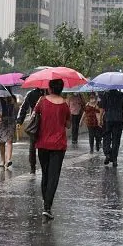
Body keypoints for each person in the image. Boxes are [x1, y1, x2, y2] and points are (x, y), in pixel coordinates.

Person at [34, 79, 71, 220]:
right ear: (61, 89)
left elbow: (35, 114)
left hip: (42, 143)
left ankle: (46, 204)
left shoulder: (42, 101)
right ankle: (47, 206)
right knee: (53, 176)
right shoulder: (64, 104)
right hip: (58, 145)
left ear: (49, 88)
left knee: (45, 174)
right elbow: (68, 125)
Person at [17, 88, 45, 174]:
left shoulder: (31, 93)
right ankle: (40, 166)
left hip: (35, 121)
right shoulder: (48, 93)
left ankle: (33, 167)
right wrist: (19, 121)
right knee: (40, 145)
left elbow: (24, 108)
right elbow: (24, 107)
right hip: (44, 121)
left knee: (33, 146)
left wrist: (19, 121)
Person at [99, 89, 123, 167]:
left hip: (108, 119)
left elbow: (102, 108)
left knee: (106, 137)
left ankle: (108, 154)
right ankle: (114, 159)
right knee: (116, 139)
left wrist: (100, 119)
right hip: (119, 119)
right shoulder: (121, 95)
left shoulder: (105, 95)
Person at [0, 94, 18, 169]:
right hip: (2, 121)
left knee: (9, 141)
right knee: (2, 142)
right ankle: (2, 160)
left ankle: (8, 160)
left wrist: (13, 103)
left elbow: (16, 110)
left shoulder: (12, 98)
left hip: (11, 122)